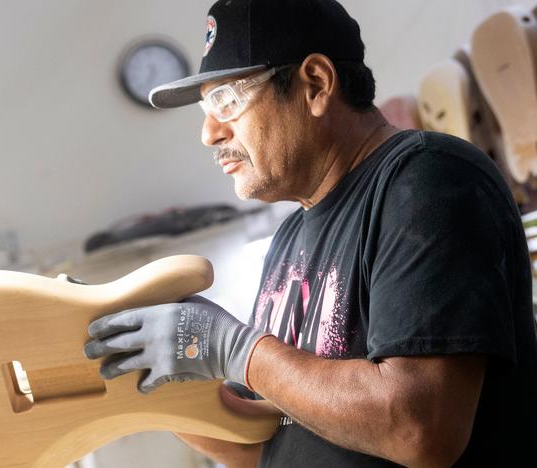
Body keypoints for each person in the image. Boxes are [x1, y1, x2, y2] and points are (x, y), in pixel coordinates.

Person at [84, 0, 537, 466]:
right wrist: (146, 389)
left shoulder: (426, 181)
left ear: (316, 84)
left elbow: (418, 429)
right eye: (206, 106)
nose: (209, 133)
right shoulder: (290, 238)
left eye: (226, 100)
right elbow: (261, 445)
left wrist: (234, 347)